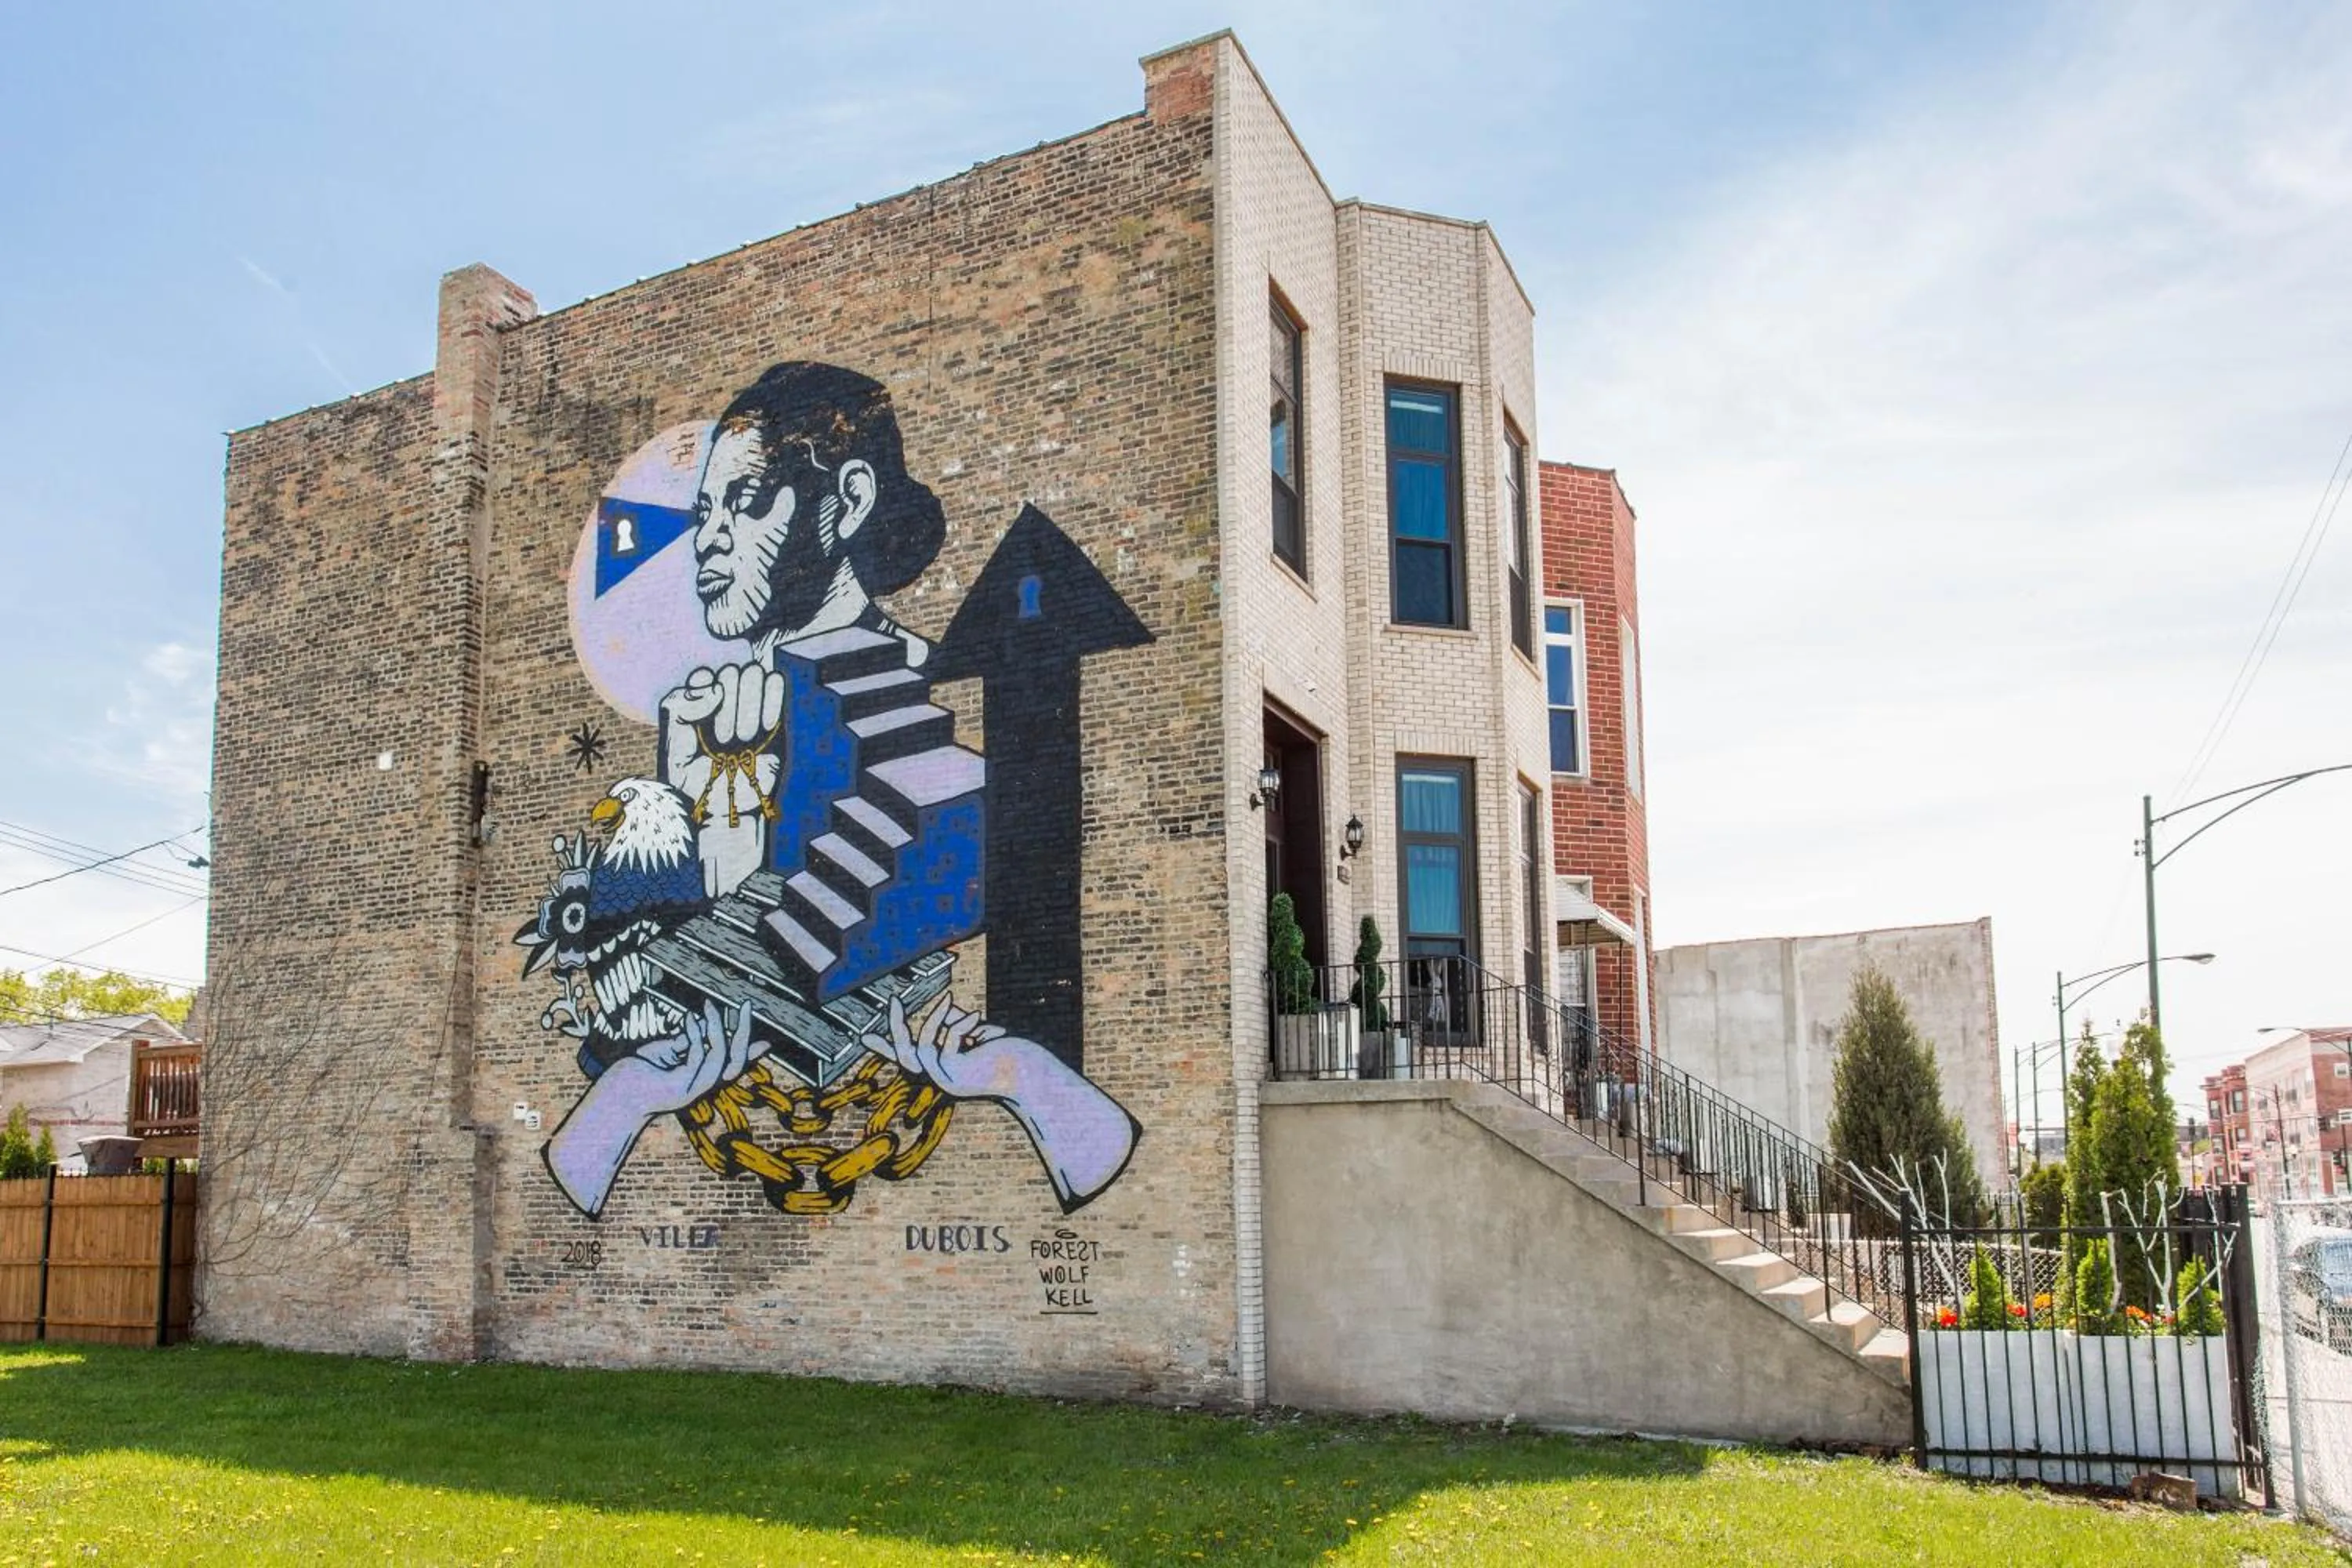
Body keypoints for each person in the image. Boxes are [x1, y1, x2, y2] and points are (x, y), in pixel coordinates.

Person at [541, 363, 1136, 1219]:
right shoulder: (706, 721)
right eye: (699, 513)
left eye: (742, 503)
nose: (706, 539)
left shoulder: (915, 698)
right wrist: (705, 833)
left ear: (847, 500)